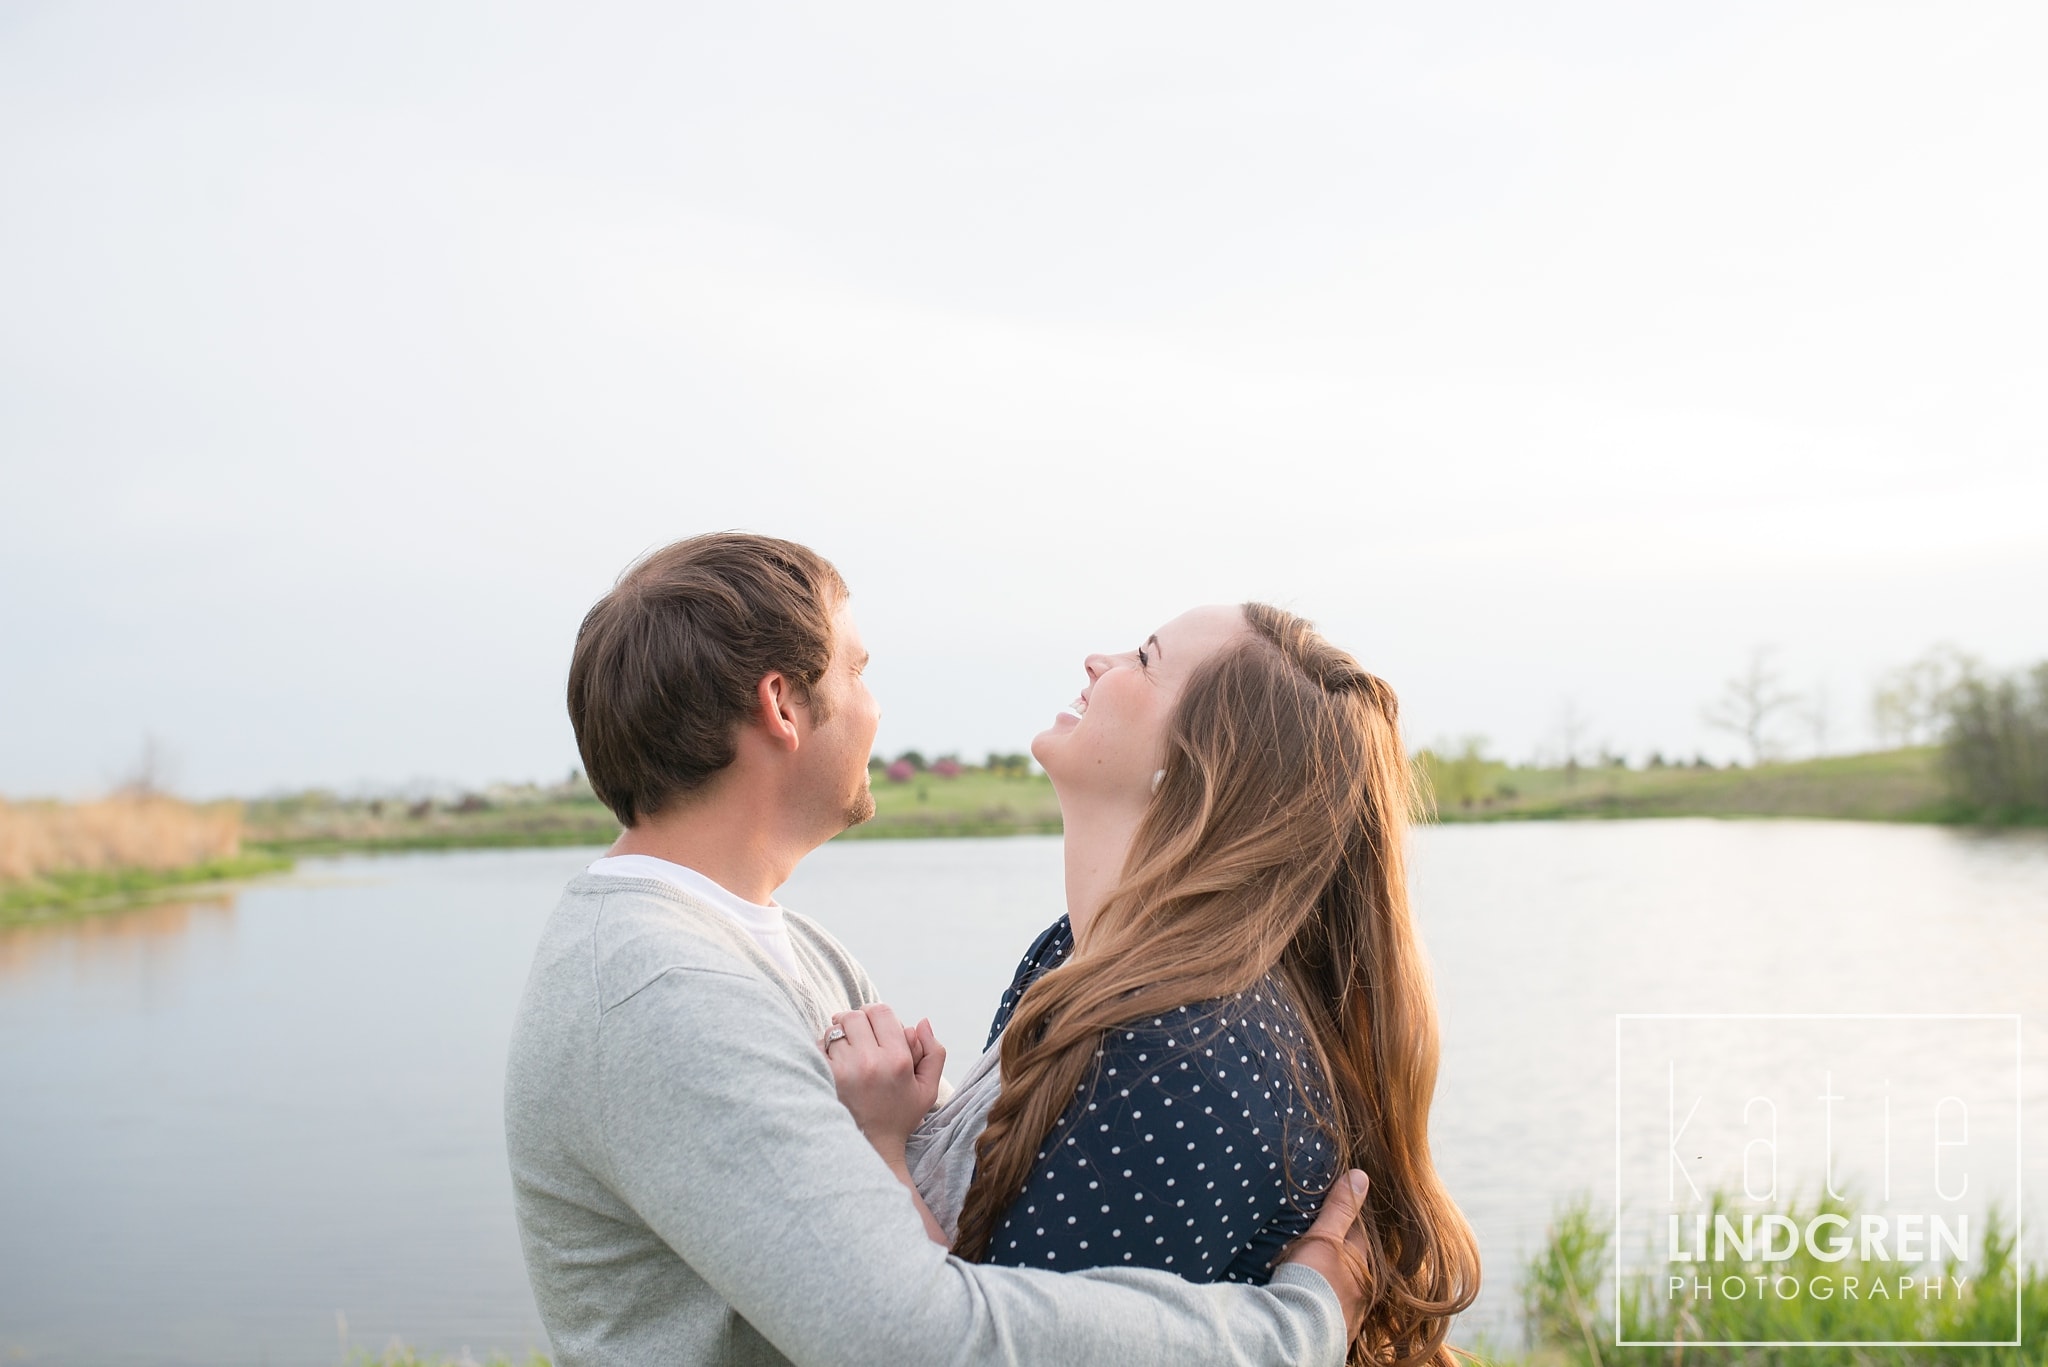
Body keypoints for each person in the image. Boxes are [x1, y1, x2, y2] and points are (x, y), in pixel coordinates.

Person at [504, 533, 1374, 1367]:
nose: (878, 707)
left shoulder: (791, 949)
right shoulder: (661, 994)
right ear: (781, 706)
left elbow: (960, 1214)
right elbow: (916, 1339)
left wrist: (889, 1137)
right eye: (858, 671)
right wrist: (1293, 1330)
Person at [824, 603, 1481, 1367]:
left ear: (1199, 764)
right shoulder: (1073, 956)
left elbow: (985, 1351)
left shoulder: (1184, 1045)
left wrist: (876, 1150)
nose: (1097, 660)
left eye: (1144, 656)